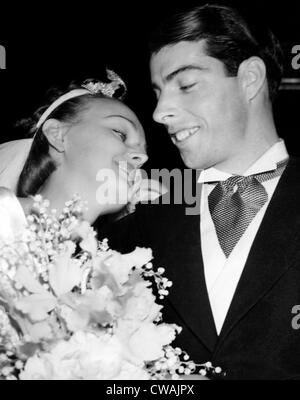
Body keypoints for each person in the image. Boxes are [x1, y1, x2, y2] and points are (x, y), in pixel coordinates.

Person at [99, 4, 300, 379]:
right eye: (158, 92)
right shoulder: (143, 220)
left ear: (250, 78)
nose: (160, 112)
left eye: (186, 85)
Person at [0, 70, 149, 239]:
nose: (142, 157)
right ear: (57, 135)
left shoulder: (121, 258)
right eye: (120, 133)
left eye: (143, 150)